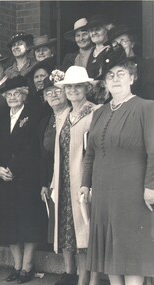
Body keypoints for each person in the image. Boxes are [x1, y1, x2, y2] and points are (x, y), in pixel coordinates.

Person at [80, 44, 154, 285]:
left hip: (132, 194)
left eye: (121, 73)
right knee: (109, 252)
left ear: (132, 77)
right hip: (102, 194)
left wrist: (151, 187)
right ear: (104, 82)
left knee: (131, 251)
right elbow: (89, 153)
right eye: (109, 75)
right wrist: (85, 185)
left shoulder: (146, 107)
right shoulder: (99, 113)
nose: (115, 79)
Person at [45, 66, 101, 285]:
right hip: (64, 181)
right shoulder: (64, 115)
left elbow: (95, 151)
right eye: (69, 87)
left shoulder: (96, 111)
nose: (74, 90)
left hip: (85, 181)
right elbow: (58, 151)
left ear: (87, 88)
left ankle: (88, 280)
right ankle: (76, 276)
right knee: (69, 231)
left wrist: (92, 182)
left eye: (78, 86)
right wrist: (52, 182)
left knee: (86, 231)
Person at [0, 75, 47, 284]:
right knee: (10, 223)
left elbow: (33, 148)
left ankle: (27, 266)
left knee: (28, 221)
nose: (13, 97)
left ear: (24, 95)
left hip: (26, 177)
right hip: (5, 178)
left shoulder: (34, 115)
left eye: (17, 93)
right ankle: (16, 266)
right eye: (9, 94)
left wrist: (13, 167)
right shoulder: (0, 118)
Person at [38, 70, 70, 246]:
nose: (53, 95)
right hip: (53, 179)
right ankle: (68, 270)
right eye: (49, 92)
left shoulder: (74, 114)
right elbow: (44, 155)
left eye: (58, 90)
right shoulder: (46, 120)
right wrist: (44, 182)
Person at [105, 24, 154, 100]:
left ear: (132, 44)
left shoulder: (147, 65)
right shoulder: (111, 69)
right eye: (115, 44)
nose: (119, 47)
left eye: (123, 42)